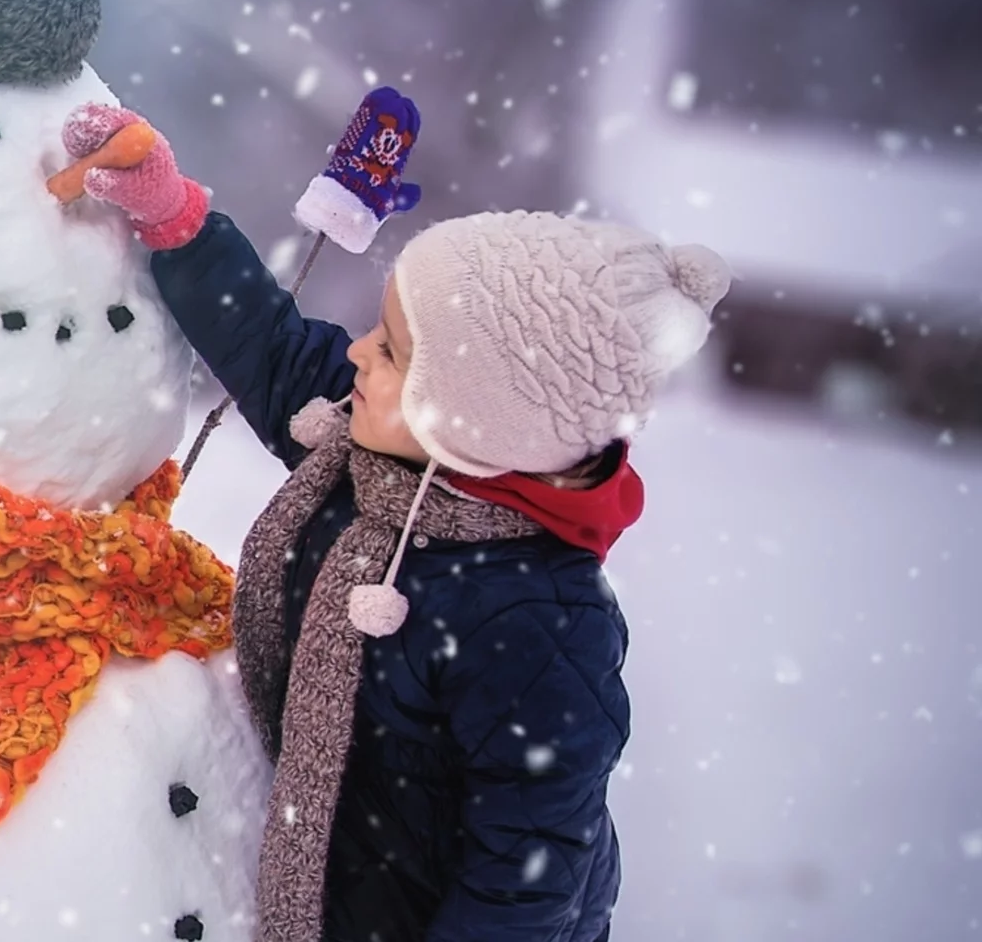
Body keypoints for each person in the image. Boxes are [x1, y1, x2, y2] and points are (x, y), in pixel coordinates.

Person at [59, 91, 730, 941]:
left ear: (477, 422)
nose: (357, 353)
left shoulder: (537, 621)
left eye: (392, 352)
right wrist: (177, 220)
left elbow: (527, 882)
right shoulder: (374, 443)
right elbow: (270, 348)